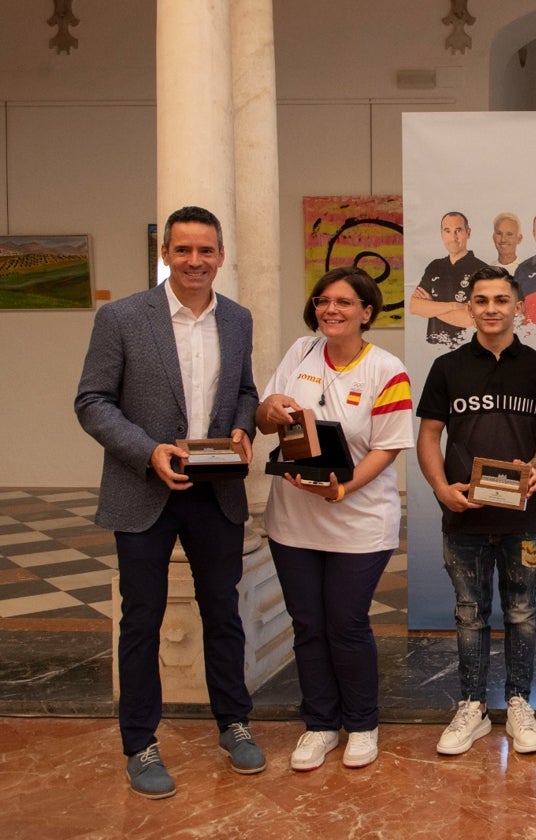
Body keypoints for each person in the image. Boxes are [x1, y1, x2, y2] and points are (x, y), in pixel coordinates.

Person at [75, 205, 264, 799]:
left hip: (217, 495)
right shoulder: (123, 317)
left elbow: (244, 391)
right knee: (142, 620)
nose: (194, 261)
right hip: (143, 491)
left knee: (223, 614)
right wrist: (149, 450)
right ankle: (140, 742)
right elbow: (92, 401)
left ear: (221, 256)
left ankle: (234, 723)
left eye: (205, 251)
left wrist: (242, 432)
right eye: (183, 250)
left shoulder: (237, 319)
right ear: (166, 255)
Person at [255, 266, 414, 772]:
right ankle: (320, 725)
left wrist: (342, 488)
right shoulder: (299, 353)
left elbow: (387, 449)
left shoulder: (387, 369)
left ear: (367, 312)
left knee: (345, 624)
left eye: (344, 303)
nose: (331, 310)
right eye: (324, 301)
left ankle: (362, 725)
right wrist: (271, 408)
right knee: (308, 626)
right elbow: (264, 417)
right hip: (292, 522)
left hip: (360, 522)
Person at [416, 266, 536, 756]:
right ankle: (473, 707)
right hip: (464, 515)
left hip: (522, 518)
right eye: (482, 300)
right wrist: (440, 488)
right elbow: (429, 435)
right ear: (470, 308)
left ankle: (519, 703)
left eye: (502, 299)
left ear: (517, 306)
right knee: (469, 616)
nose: (492, 308)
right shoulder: (448, 368)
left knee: (521, 614)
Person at [410, 211, 489, 347]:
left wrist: (431, 306)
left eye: (458, 230)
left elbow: (470, 320)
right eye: (447, 231)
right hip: (433, 349)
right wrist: (453, 306)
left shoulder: (483, 271)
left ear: (468, 233)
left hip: (470, 350)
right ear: (441, 234)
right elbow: (414, 306)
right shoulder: (434, 266)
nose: (453, 237)